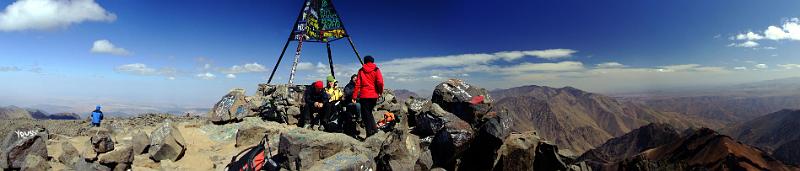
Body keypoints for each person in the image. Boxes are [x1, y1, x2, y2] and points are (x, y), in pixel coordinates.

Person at [353, 55, 383, 137]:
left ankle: (369, 133)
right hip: (373, 96)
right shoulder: (376, 69)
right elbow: (380, 82)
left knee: (366, 115)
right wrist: (380, 92)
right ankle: (374, 130)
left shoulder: (361, 70)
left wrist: (354, 96)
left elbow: (358, 84)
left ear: (365, 61)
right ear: (372, 61)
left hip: (364, 96)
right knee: (369, 113)